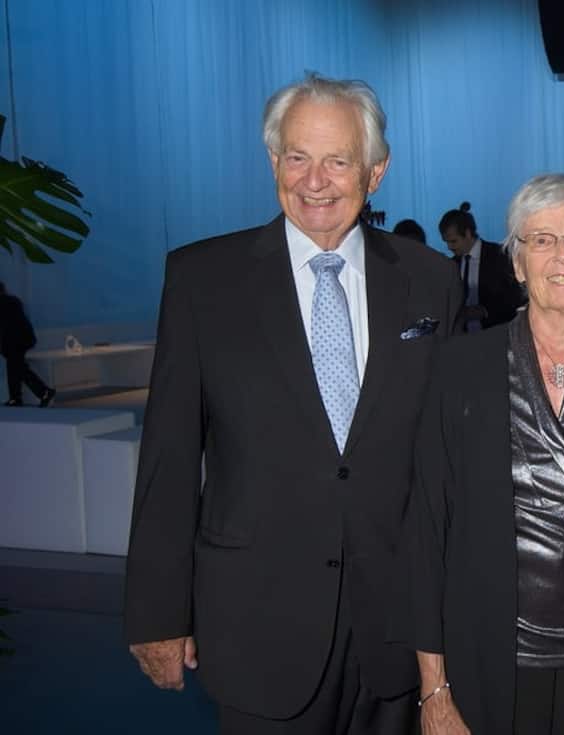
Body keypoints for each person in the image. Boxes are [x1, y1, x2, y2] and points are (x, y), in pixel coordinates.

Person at [123, 73, 460, 733]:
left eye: (337, 160)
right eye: (296, 157)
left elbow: (443, 457)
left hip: (393, 628)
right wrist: (157, 613)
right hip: (255, 623)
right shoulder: (202, 279)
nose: (315, 180)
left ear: (375, 172)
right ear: (273, 161)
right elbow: (168, 452)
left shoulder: (430, 281)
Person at [405, 174, 564, 734]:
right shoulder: (460, 370)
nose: (562, 256)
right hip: (495, 660)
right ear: (516, 263)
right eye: (541, 240)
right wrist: (433, 686)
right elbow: (427, 531)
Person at [439, 202, 525, 332]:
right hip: (463, 339)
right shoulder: (452, 265)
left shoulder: (500, 256)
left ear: (468, 233)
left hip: (498, 335)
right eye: (446, 242)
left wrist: (484, 311)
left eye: (453, 241)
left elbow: (517, 296)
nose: (449, 247)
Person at [0, 281, 54, 407]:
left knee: (18, 368)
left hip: (13, 341)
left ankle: (43, 392)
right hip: (21, 339)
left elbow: (6, 327)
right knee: (16, 368)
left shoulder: (4, 303)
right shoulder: (13, 301)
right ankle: (16, 398)